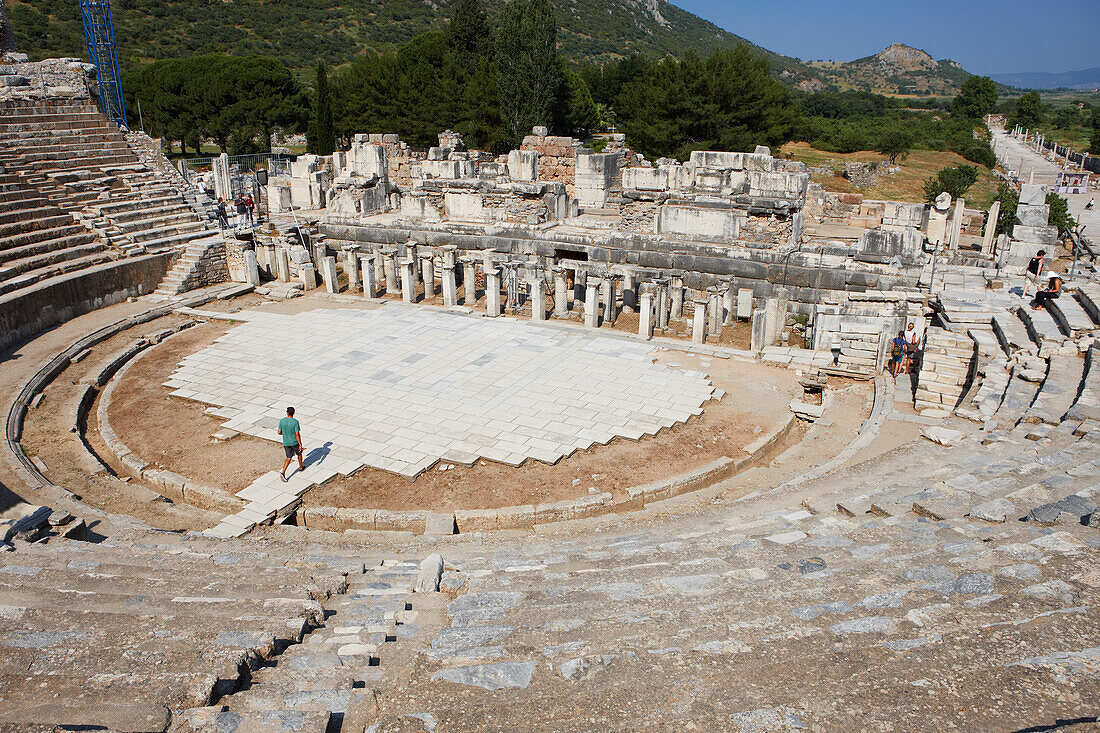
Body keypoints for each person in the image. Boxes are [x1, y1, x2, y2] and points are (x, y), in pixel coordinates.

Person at [277, 407, 304, 481]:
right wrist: (300, 444)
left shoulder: (282, 421)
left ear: (287, 412)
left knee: (289, 457)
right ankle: (301, 467)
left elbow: (279, 432)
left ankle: (283, 472)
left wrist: (285, 434)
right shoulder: (295, 422)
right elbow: (297, 434)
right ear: (294, 413)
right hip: (294, 442)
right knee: (299, 454)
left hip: (286, 442)